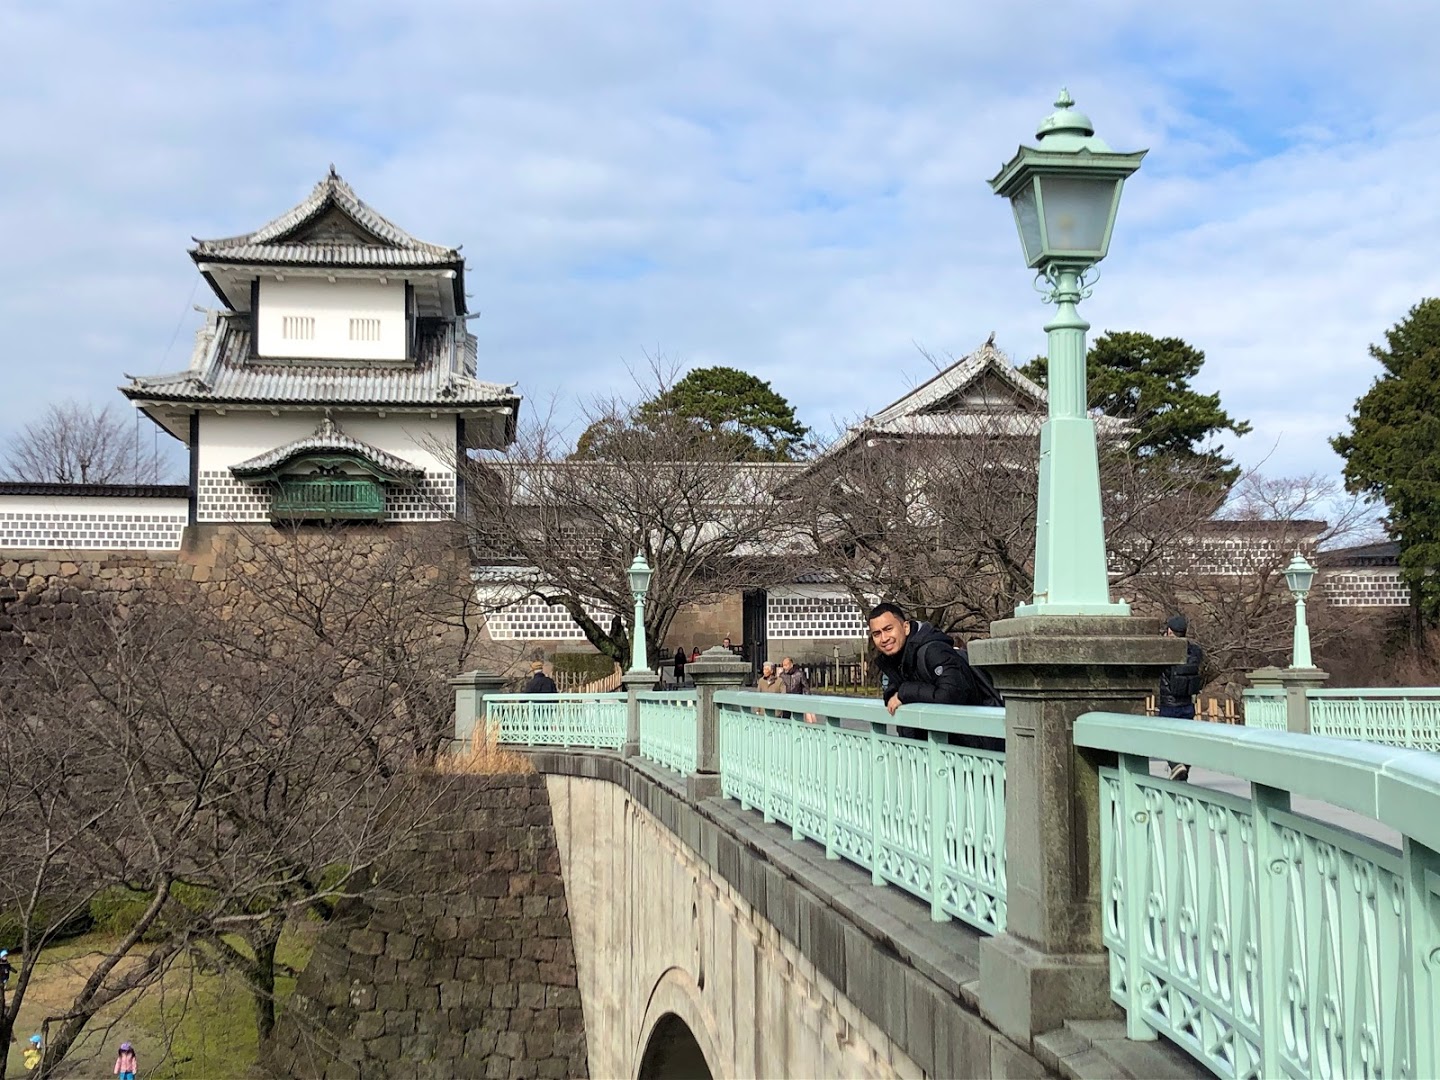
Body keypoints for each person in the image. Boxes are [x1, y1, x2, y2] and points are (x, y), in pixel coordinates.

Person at [867, 602, 1003, 745]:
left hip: (971, 750)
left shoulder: (934, 651)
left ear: (905, 627)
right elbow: (893, 691)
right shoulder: (897, 659)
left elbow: (952, 694)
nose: (884, 638)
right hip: (934, 751)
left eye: (888, 629)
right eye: (877, 634)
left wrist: (905, 692)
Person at [1157, 614, 1204, 782]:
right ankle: (1183, 770)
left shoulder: (1165, 652)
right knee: (1185, 739)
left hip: (1169, 704)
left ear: (1170, 631)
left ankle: (1176, 765)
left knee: (1162, 737)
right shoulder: (1195, 651)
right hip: (1187, 703)